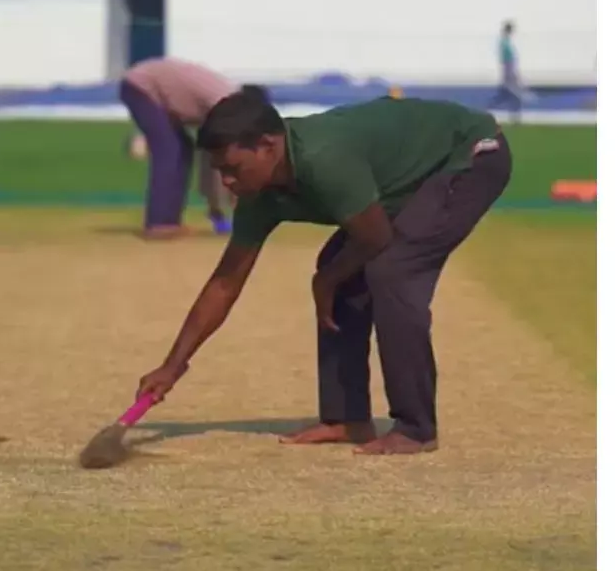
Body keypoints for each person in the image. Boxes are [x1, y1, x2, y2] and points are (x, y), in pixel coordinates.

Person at [136, 89, 511, 456]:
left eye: (233, 169)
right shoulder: (258, 196)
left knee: (392, 270)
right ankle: (346, 418)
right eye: (220, 172)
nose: (227, 183)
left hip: (470, 154)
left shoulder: (322, 159)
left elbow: (376, 236)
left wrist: (326, 280)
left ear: (269, 145)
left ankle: (416, 429)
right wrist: (173, 365)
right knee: (343, 270)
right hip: (406, 179)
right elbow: (225, 282)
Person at [118, 57, 251, 238]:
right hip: (140, 86)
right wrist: (219, 211)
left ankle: (169, 221)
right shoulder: (223, 106)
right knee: (169, 149)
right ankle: (158, 224)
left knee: (183, 148)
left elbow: (210, 160)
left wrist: (219, 210)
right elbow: (216, 166)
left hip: (159, 91)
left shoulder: (228, 110)